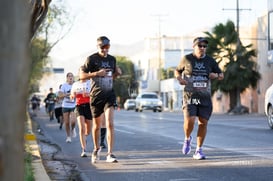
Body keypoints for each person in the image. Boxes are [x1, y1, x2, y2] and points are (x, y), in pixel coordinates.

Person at [174, 37, 224, 160]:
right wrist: (180, 79)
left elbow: (221, 75)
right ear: (194, 46)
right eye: (200, 46)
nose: (202, 48)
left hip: (205, 97)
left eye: (204, 46)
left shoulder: (210, 61)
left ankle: (198, 150)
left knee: (203, 123)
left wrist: (216, 75)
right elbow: (177, 71)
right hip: (190, 96)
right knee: (190, 120)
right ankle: (187, 138)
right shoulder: (187, 59)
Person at [80, 36, 122, 163]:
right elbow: (82, 76)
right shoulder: (91, 59)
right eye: (103, 47)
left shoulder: (112, 59)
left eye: (107, 47)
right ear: (98, 46)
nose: (105, 50)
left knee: (110, 123)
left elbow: (112, 77)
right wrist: (96, 74)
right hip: (96, 96)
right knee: (97, 126)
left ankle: (110, 153)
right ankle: (96, 148)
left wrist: (117, 73)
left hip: (109, 94)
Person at [70, 67, 92, 157]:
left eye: (84, 72)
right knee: (81, 127)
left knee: (88, 130)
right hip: (79, 106)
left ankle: (85, 137)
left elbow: (95, 94)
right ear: (79, 74)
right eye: (81, 72)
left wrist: (88, 94)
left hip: (89, 106)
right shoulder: (75, 84)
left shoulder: (90, 83)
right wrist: (73, 95)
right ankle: (84, 149)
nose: (82, 74)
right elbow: (72, 96)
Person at [58, 72, 77, 143]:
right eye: (69, 76)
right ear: (67, 78)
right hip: (65, 105)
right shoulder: (64, 86)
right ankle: (68, 137)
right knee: (66, 123)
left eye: (72, 76)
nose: (70, 77)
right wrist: (68, 94)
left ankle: (73, 128)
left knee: (73, 121)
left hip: (74, 105)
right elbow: (60, 96)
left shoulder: (76, 85)